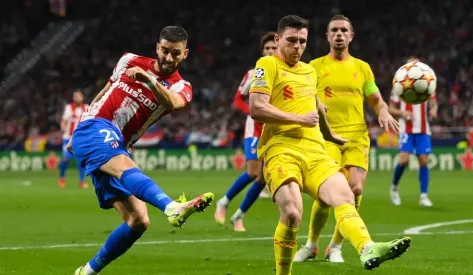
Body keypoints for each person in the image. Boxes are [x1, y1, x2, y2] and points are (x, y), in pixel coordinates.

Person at [249, 15, 410, 274]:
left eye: (302, 41)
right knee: (292, 213)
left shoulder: (309, 71)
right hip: (281, 149)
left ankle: (367, 247)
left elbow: (316, 108)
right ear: (277, 40)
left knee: (346, 195)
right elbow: (256, 108)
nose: (297, 46)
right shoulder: (267, 64)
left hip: (315, 150)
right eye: (291, 40)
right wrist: (299, 119)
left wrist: (330, 135)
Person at [72, 26, 214, 275]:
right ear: (158, 47)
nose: (169, 58)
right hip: (95, 126)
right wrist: (81, 123)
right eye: (165, 51)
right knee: (127, 169)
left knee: (138, 220)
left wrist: (149, 79)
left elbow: (172, 102)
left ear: (185, 54)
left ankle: (86, 272)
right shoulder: (129, 60)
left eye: (176, 54)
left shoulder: (182, 87)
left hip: (117, 145)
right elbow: (106, 91)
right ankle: (172, 208)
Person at [294, 14, 400, 263]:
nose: (339, 34)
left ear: (351, 36)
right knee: (325, 194)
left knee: (356, 189)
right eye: (334, 30)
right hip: (326, 137)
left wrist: (383, 109)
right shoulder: (314, 67)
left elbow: (374, 98)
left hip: (356, 136)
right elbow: (302, 96)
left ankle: (336, 246)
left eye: (344, 30)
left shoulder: (362, 68)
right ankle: (311, 244)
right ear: (328, 36)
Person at [214, 31, 276, 232]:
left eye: (273, 48)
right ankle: (223, 202)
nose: (270, 51)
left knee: (264, 178)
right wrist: (253, 111)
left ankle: (238, 216)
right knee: (253, 172)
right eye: (266, 48)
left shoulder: (284, 73)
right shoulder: (255, 73)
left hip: (275, 131)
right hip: (255, 130)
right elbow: (238, 98)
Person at [389, 56, 438, 207]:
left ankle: (424, 196)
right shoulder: (399, 83)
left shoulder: (427, 80)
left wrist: (434, 109)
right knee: (403, 160)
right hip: (407, 129)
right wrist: (402, 114)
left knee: (423, 160)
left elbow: (433, 101)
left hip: (423, 129)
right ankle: (394, 188)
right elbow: (391, 109)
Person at [59, 90, 89, 188]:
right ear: (73, 98)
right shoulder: (69, 108)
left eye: (79, 96)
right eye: (75, 96)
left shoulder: (87, 108)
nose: (78, 98)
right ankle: (62, 178)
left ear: (82, 97)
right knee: (66, 158)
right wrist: (63, 128)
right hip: (68, 138)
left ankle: (81, 181)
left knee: (81, 160)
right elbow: (63, 121)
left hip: (81, 139)